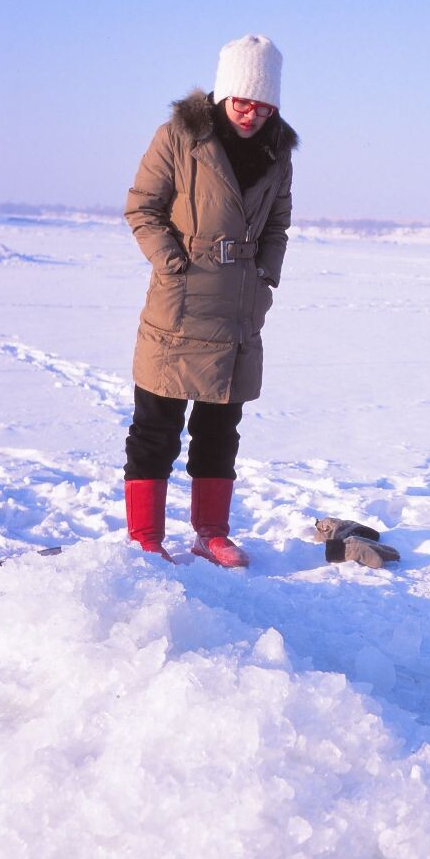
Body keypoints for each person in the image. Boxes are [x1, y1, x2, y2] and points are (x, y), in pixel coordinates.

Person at [122, 34, 298, 567]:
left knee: (220, 429)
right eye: (243, 102)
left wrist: (266, 271)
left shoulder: (276, 152)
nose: (252, 114)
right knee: (157, 425)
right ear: (224, 95)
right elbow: (142, 209)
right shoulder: (179, 137)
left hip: (239, 309)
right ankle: (145, 537)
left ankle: (211, 532)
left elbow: (279, 223)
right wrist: (174, 265)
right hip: (179, 307)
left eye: (264, 106)